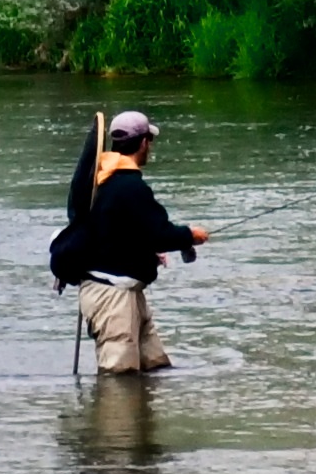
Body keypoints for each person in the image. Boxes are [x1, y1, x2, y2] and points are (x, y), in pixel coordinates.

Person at [55, 108, 208, 376]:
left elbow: (117, 231)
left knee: (154, 371)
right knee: (119, 383)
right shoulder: (130, 187)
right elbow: (159, 233)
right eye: (150, 141)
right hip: (113, 298)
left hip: (123, 292)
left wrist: (149, 252)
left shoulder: (100, 181)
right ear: (144, 143)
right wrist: (190, 235)